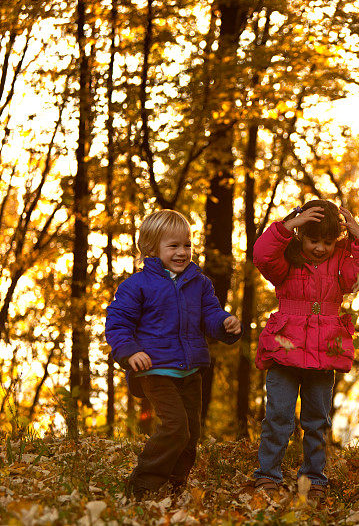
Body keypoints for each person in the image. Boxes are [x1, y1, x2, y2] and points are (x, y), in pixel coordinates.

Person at [105, 209, 242, 499]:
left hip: (190, 370)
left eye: (187, 245)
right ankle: (142, 485)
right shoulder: (138, 285)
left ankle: (175, 484)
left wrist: (225, 323)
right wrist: (130, 352)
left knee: (191, 435)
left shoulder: (200, 283)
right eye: (174, 246)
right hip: (155, 370)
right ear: (152, 249)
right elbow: (118, 323)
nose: (182, 252)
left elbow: (210, 315)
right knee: (176, 428)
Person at [251, 199, 359, 500]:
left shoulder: (341, 262)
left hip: (324, 352)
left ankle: (314, 479)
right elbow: (262, 255)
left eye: (327, 241)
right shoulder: (287, 259)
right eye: (313, 240)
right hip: (285, 350)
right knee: (279, 415)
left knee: (317, 420)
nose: (320, 248)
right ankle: (267, 474)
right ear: (300, 235)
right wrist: (287, 225)